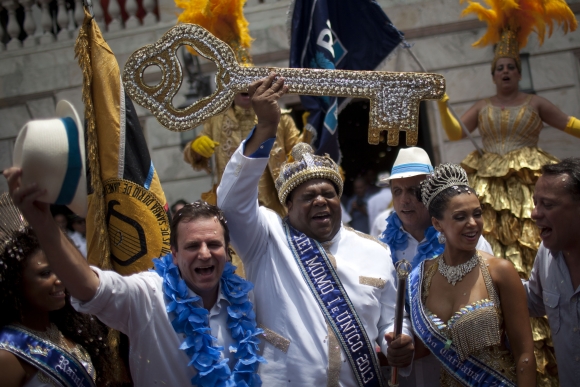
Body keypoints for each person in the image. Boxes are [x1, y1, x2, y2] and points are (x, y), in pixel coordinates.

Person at [218, 73, 414, 386]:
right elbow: (229, 201)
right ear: (288, 207)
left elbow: (391, 320)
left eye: (329, 194)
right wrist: (266, 128)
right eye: (308, 196)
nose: (321, 201)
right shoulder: (266, 237)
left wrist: (398, 343)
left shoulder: (376, 252)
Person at [4, 166, 264, 387]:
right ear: (174, 254)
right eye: (193, 246)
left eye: (214, 244)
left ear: (227, 251)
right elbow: (90, 289)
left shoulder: (245, 298)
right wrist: (45, 224)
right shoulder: (148, 296)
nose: (205, 254)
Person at [436, 4, 577, 381]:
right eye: (499, 68)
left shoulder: (536, 103)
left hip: (528, 182)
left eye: (511, 67)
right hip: (487, 184)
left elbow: (568, 123)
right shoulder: (482, 106)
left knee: (536, 241)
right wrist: (444, 106)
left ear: (518, 71)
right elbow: (452, 133)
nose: (505, 73)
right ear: (493, 74)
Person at [409, 163, 536, 386]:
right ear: (437, 224)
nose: (473, 224)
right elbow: (422, 348)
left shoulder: (500, 271)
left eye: (477, 214)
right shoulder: (422, 277)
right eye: (460, 217)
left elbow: (524, 353)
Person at [379, 147, 493, 387]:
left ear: (431, 194)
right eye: (397, 191)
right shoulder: (380, 244)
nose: (404, 200)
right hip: (407, 374)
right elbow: (384, 307)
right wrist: (399, 340)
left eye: (413, 190)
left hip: (462, 367)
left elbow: (487, 299)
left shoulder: (467, 236)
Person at [0, 193, 116, 387]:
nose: (60, 279)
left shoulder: (69, 330)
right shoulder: (7, 355)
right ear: (15, 283)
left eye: (59, 269)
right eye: (45, 273)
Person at [183, 93, 307, 217]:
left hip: (275, 206)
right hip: (232, 207)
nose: (246, 87)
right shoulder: (216, 120)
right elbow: (189, 155)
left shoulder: (279, 117)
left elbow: (299, 153)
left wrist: (310, 133)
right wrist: (195, 148)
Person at [525, 158, 580, 387]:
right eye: (535, 203)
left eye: (547, 205)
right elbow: (532, 301)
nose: (534, 214)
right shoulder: (546, 254)